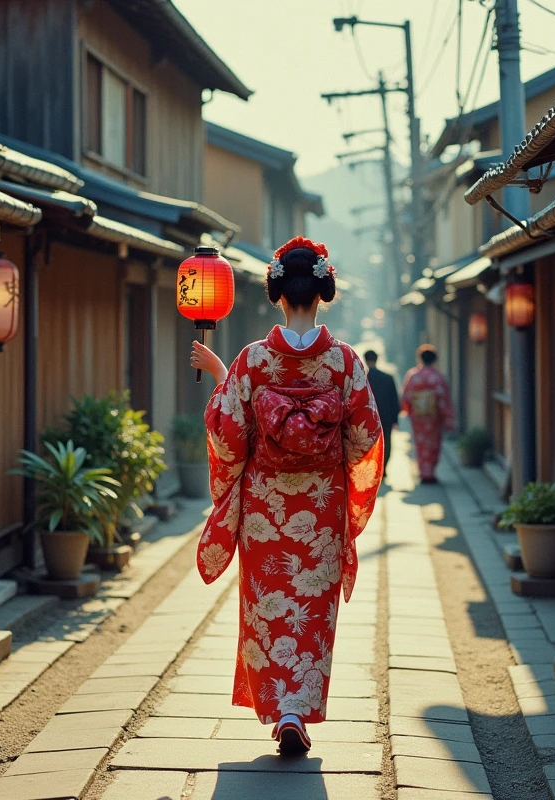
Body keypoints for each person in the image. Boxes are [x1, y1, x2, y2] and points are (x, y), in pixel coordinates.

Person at [189, 236, 384, 756]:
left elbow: (227, 436)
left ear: (278, 294)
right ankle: (300, 706)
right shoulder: (344, 363)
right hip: (321, 510)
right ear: (322, 292)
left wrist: (217, 375)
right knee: (312, 610)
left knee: (270, 607)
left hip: (264, 512)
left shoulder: (252, 361)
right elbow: (365, 439)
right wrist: (344, 490)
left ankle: (280, 713)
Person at [401, 344, 455, 484]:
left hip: (418, 416)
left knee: (420, 444)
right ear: (434, 359)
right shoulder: (437, 377)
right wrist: (447, 417)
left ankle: (423, 472)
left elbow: (407, 396)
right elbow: (443, 399)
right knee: (433, 443)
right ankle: (430, 472)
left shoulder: (413, 375)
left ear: (420, 358)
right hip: (433, 416)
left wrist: (408, 409)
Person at [362, 350, 400, 469]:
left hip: (368, 417)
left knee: (370, 444)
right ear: (376, 359)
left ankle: (374, 468)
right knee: (386, 442)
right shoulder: (388, 378)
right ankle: (383, 468)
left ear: (366, 360)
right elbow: (395, 400)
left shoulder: (363, 379)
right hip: (386, 416)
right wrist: (395, 419)